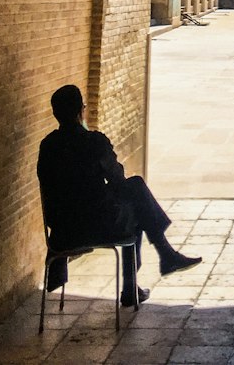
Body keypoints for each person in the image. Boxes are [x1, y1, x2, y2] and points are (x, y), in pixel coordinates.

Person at [37, 84, 201, 306]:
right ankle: (146, 272)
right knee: (136, 200)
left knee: (135, 197)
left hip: (63, 231)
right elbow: (118, 179)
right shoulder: (94, 142)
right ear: (80, 111)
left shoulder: (47, 146)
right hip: (98, 227)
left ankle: (162, 258)